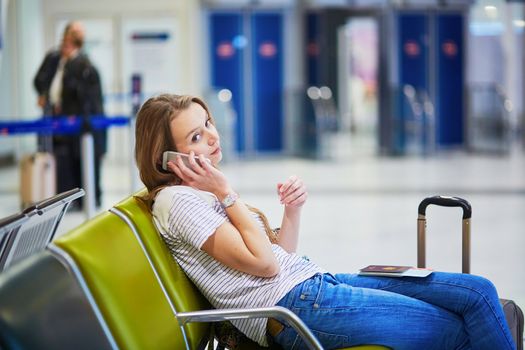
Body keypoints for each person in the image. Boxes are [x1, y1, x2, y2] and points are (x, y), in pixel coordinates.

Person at [134, 93, 516, 350]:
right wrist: (226, 193)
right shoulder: (177, 201)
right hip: (296, 310)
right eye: (197, 137)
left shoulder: (198, 193)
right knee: (459, 330)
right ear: (167, 158)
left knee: (478, 291)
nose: (213, 138)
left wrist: (292, 211)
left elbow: (278, 255)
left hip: (314, 285)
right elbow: (265, 267)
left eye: (209, 124)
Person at [34, 21, 106, 208]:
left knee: (83, 158)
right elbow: (41, 81)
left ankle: (89, 198)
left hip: (80, 122)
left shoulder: (83, 64)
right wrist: (45, 96)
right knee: (65, 161)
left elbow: (87, 97)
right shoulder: (54, 59)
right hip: (60, 121)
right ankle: (69, 199)